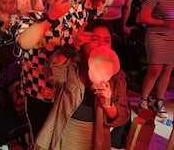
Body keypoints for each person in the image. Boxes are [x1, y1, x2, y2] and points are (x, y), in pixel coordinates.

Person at [34, 20, 130, 150]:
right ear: (84, 43)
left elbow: (122, 115)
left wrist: (107, 104)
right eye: (95, 39)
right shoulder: (72, 64)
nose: (101, 44)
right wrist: (74, 44)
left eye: (107, 40)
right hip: (65, 127)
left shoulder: (117, 76)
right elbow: (51, 74)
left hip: (95, 135)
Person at [17, 0, 87, 143]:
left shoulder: (75, 19)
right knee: (40, 140)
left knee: (62, 140)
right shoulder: (32, 18)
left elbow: (101, 0)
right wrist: (51, 18)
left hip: (66, 94)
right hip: (38, 92)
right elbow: (24, 43)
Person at [136, 0, 174, 118]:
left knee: (168, 69)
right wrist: (165, 23)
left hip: (173, 37)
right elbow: (141, 17)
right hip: (156, 35)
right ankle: (143, 100)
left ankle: (159, 101)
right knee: (155, 69)